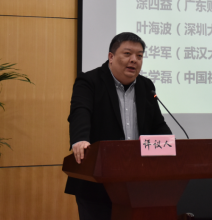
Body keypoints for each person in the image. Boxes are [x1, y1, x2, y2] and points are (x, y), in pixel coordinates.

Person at [64, 32, 172, 220]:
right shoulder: (89, 81)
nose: (134, 60)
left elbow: (158, 125)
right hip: (97, 184)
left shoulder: (146, 86)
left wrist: (172, 145)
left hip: (139, 184)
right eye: (127, 54)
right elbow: (80, 112)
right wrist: (80, 139)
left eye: (139, 56)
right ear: (111, 57)